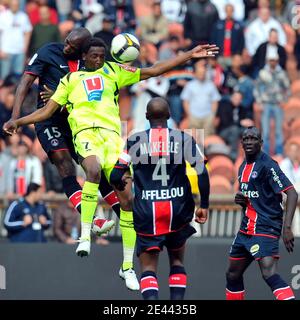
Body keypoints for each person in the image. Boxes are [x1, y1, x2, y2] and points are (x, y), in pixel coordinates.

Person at [3, 37, 218, 289]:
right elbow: (47, 111)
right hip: (86, 136)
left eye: (102, 56)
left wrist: (189, 55)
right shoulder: (70, 80)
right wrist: (18, 121)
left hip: (112, 140)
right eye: (94, 56)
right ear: (84, 57)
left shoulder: (115, 71)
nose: (99, 60)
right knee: (91, 169)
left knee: (128, 200)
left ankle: (126, 267)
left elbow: (154, 69)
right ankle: (85, 235)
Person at [4, 27, 136, 291]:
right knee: (65, 165)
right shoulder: (48, 52)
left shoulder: (91, 64)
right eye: (66, 43)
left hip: (78, 123)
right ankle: (92, 221)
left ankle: (125, 219)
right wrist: (16, 117)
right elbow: (25, 83)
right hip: (49, 119)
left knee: (97, 171)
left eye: (71, 46)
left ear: (84, 50)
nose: (65, 47)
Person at [110, 97, 210, 300]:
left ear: (146, 117)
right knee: (177, 262)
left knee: (148, 268)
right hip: (178, 210)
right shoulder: (184, 139)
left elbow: (114, 175)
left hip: (147, 212)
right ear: (169, 116)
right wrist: (204, 205)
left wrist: (120, 183)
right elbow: (202, 173)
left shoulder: (134, 141)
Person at [226, 126, 298, 300]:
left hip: (266, 226)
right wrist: (242, 202)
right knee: (232, 275)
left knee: (269, 273)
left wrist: (287, 227)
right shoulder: (243, 166)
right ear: (241, 143)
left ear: (261, 143)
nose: (249, 142)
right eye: (246, 139)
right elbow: (254, 198)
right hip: (245, 229)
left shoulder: (268, 165)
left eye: (254, 138)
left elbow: (292, 193)